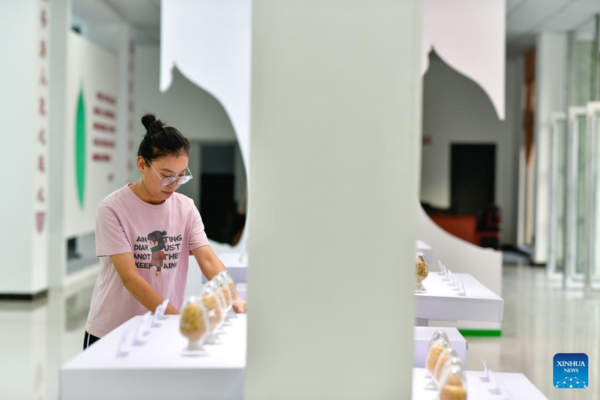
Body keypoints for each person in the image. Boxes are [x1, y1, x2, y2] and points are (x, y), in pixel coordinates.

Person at [83, 114, 246, 349]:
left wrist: (234, 298)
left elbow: (208, 260)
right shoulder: (112, 209)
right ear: (142, 164)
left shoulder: (185, 207)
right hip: (112, 332)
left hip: (162, 327)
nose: (175, 184)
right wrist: (177, 318)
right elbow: (130, 278)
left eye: (181, 176)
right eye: (167, 176)